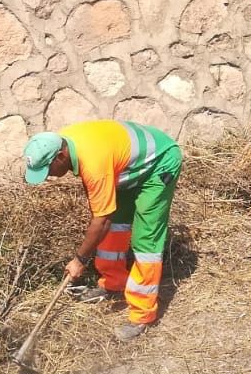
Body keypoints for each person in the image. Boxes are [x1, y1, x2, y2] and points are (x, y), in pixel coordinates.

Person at [22, 119, 182, 342]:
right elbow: (103, 215)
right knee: (115, 224)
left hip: (159, 163)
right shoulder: (63, 142)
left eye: (48, 169)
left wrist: (80, 260)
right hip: (128, 167)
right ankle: (114, 282)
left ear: (60, 156)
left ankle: (142, 314)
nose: (48, 175)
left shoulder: (93, 161)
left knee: (145, 239)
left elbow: (101, 220)